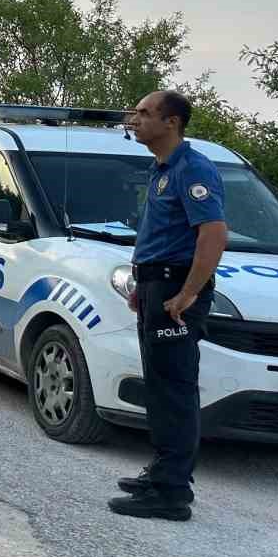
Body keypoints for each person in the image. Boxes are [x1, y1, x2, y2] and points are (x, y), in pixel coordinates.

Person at [110, 89, 228, 522]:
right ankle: (161, 473)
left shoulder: (192, 169)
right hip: (157, 286)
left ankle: (172, 492)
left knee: (175, 391)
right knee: (159, 386)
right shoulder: (161, 170)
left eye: (144, 113)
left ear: (171, 122)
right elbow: (162, 236)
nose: (134, 119)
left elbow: (213, 234)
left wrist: (188, 292)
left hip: (177, 291)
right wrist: (144, 283)